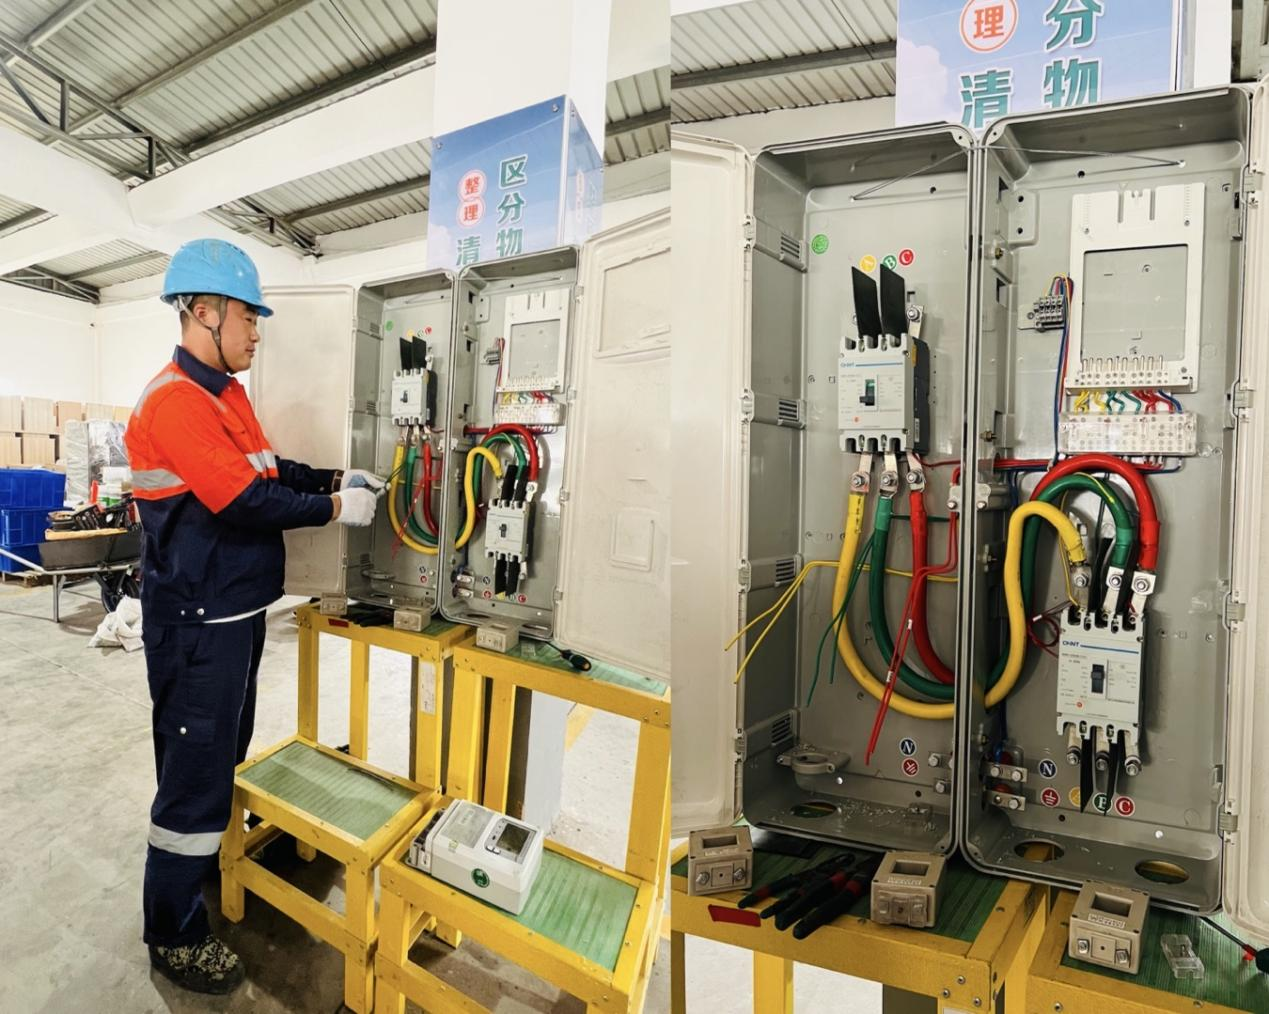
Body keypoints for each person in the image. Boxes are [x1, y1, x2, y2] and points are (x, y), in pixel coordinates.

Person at [124, 239, 381, 994]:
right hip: (197, 622)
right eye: (248, 316)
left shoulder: (224, 397)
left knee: (218, 761)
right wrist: (335, 508)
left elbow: (268, 470)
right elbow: (243, 500)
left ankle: (197, 869)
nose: (257, 332)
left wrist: (334, 476)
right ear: (202, 312)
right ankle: (172, 934)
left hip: (233, 615)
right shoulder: (174, 401)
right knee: (194, 778)